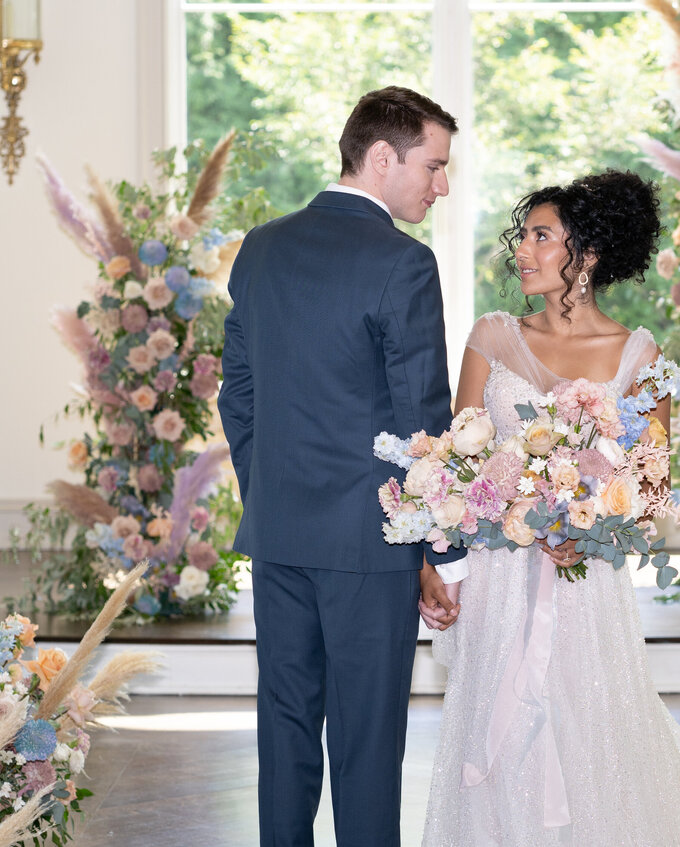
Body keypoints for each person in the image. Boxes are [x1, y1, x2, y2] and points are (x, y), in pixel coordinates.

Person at [421, 171, 680, 845]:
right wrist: (510, 517)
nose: (522, 251)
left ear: (585, 255)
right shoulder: (491, 336)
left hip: (585, 584)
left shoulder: (642, 356)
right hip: (500, 582)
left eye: (540, 236)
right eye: (524, 236)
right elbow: (459, 460)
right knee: (495, 735)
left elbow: (651, 487)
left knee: (589, 730)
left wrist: (583, 525)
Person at [218, 86, 469, 847]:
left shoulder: (261, 246)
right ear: (383, 157)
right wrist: (442, 553)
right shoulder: (404, 262)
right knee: (366, 741)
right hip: (370, 544)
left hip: (279, 533)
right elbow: (421, 422)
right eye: (433, 164)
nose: (442, 184)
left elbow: (240, 397)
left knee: (285, 726)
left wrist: (272, 496)